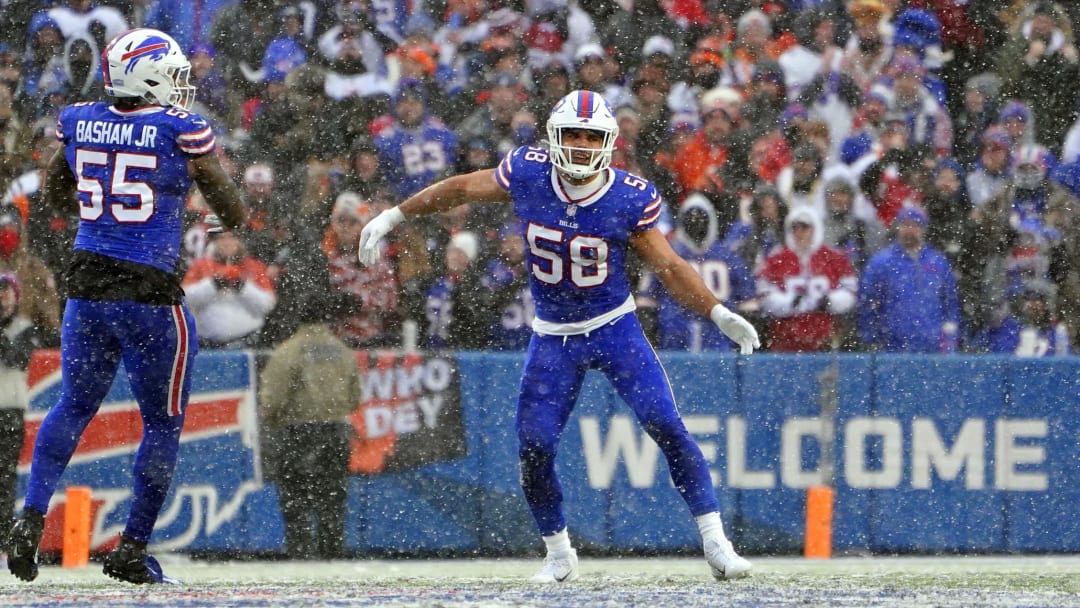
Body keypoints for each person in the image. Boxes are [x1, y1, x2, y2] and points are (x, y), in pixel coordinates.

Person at [358, 90, 759, 583]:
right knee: (534, 445)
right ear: (553, 137)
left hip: (615, 327)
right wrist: (394, 215)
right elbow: (462, 188)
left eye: (593, 137)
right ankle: (558, 552)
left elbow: (671, 266)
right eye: (574, 135)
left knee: (666, 424)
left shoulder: (627, 196)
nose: (583, 146)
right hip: (554, 335)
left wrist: (718, 313)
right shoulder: (528, 172)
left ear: (609, 142)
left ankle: (717, 543)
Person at [7, 29, 246, 585]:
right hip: (149, 292)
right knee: (161, 424)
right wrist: (194, 207)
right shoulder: (181, 128)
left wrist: (106, 215)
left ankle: (30, 516)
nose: (180, 86)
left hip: (87, 284)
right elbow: (232, 208)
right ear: (148, 73)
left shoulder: (78, 119)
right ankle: (132, 546)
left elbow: (56, 194)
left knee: (73, 404)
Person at [258, 291, 361, 560]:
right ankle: (332, 552)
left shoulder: (288, 351)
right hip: (336, 431)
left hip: (299, 431)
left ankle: (301, 552)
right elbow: (354, 398)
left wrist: (276, 418)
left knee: (296, 500)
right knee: (332, 500)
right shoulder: (343, 351)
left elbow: (273, 398)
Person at [0, 273, 42, 548]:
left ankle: (3, 541)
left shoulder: (26, 329)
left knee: (5, 478)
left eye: (6, 292)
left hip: (10, 412)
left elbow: (15, 356)